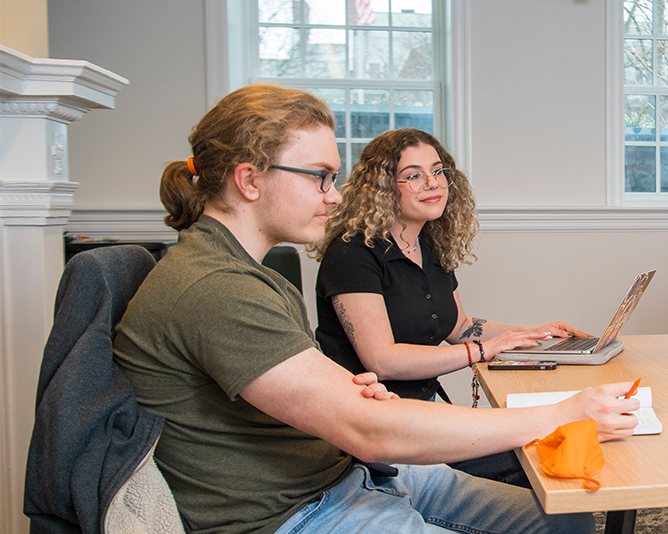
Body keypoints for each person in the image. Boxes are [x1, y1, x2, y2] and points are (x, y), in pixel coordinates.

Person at [112, 84, 639, 534]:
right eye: (318, 176)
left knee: (564, 517)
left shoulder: (254, 274)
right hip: (297, 511)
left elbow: (322, 387)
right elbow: (370, 428)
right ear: (249, 180)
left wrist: (345, 390)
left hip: (349, 471)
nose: (334, 195)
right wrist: (564, 413)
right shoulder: (215, 287)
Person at [311, 128, 589, 487]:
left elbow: (459, 326)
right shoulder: (352, 253)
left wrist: (527, 333)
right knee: (529, 458)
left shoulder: (428, 244)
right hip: (377, 424)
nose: (433, 183)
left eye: (438, 171)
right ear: (381, 189)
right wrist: (484, 351)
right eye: (414, 176)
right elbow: (382, 359)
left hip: (424, 408)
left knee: (532, 448)